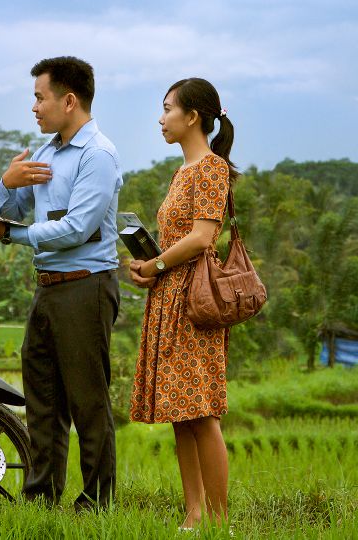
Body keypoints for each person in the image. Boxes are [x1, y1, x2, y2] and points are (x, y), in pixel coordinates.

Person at [0, 56, 122, 512]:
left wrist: (7, 235)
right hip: (47, 287)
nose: (34, 107)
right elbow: (8, 209)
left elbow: (75, 228)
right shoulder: (46, 153)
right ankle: (41, 499)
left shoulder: (98, 156)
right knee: (43, 398)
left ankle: (96, 504)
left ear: (68, 101)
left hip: (86, 286)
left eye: (39, 97)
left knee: (88, 401)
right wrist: (6, 184)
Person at [128, 77, 237, 529]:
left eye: (168, 108)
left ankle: (218, 519)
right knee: (181, 413)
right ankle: (193, 515)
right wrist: (150, 264)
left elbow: (203, 237)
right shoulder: (183, 172)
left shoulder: (211, 168)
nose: (161, 118)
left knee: (202, 412)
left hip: (194, 302)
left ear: (192, 117)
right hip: (170, 297)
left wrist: (153, 266)